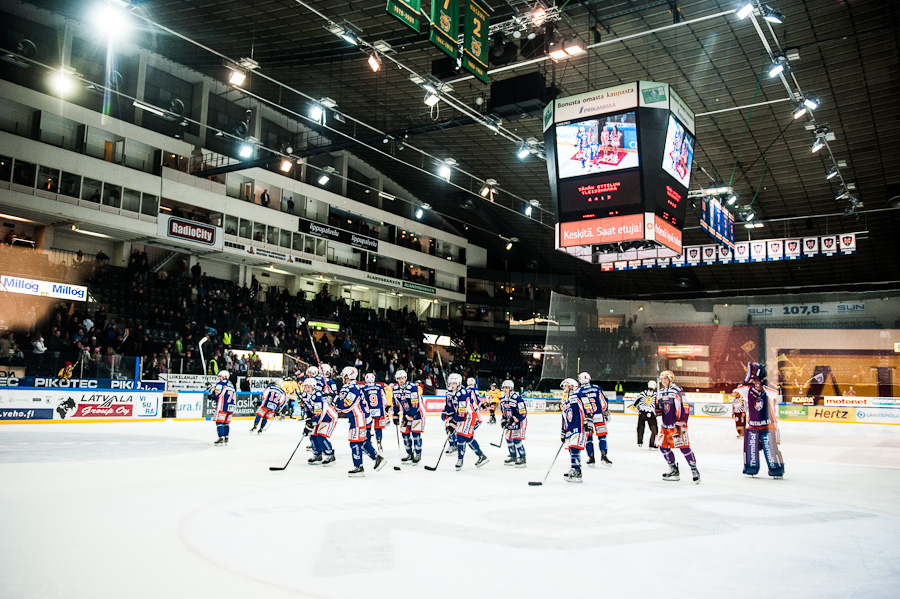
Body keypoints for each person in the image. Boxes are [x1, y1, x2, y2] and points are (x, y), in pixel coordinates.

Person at [734, 363, 784, 479]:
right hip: (753, 425)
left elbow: (775, 392)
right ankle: (751, 468)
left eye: (759, 382)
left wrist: (763, 381)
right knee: (751, 448)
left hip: (768, 425)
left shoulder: (768, 390)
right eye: (755, 383)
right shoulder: (749, 390)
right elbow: (740, 388)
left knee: (771, 449)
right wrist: (748, 379)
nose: (757, 385)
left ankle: (776, 469)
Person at [335, 366, 385, 477]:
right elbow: (341, 406)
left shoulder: (353, 388)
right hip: (359, 418)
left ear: (348, 376)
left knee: (354, 442)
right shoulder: (348, 387)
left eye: (344, 374)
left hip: (358, 418)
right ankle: (377, 458)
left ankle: (359, 467)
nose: (342, 376)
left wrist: (335, 400)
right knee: (361, 441)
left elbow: (346, 406)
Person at [655, 370, 699, 483]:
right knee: (663, 447)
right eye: (662, 379)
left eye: (665, 379)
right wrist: (656, 410)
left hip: (677, 425)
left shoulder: (677, 390)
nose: (663, 381)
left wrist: (682, 421)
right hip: (665, 426)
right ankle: (673, 468)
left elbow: (684, 406)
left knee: (684, 448)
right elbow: (660, 410)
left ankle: (694, 469)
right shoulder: (660, 392)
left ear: (670, 379)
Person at [446, 373, 489, 471]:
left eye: (454, 383)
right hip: (463, 416)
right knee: (468, 438)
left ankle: (460, 460)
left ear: (459, 383)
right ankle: (481, 456)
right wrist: (447, 414)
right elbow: (452, 406)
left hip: (469, 416)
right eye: (450, 383)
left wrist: (453, 423)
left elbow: (461, 412)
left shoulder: (462, 393)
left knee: (461, 436)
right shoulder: (451, 392)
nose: (452, 385)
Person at [573, 372, 612, 467]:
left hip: (587, 417)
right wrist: (605, 411)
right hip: (599, 415)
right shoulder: (596, 388)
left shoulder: (578, 391)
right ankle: (604, 456)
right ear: (589, 379)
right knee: (602, 436)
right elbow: (603, 402)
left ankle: (591, 457)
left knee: (588, 438)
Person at [300, 377, 336, 466]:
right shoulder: (304, 395)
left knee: (321, 437)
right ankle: (317, 454)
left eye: (309, 387)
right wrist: (308, 418)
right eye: (305, 386)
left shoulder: (318, 395)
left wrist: (311, 424)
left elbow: (319, 413)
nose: (307, 389)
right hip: (318, 417)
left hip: (328, 417)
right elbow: (308, 408)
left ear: (313, 387)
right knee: (312, 436)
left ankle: (330, 454)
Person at [391, 369, 424, 464]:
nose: (401, 380)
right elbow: (395, 403)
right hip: (406, 413)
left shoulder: (412, 387)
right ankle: (409, 453)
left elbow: (415, 405)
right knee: (404, 434)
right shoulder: (395, 389)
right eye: (399, 378)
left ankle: (418, 453)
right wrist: (395, 415)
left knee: (415, 434)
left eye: (403, 378)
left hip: (417, 413)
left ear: (406, 378)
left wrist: (408, 416)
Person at [560, 378, 586, 483]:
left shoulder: (578, 395)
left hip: (579, 426)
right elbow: (564, 417)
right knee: (571, 450)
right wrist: (563, 430)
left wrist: (588, 419)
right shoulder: (564, 401)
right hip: (570, 428)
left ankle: (577, 471)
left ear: (572, 386)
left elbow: (587, 405)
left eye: (566, 385)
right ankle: (575, 468)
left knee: (574, 448)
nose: (564, 387)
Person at [499, 380, 527, 467]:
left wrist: (515, 419)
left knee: (516, 439)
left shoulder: (517, 398)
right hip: (510, 421)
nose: (505, 389)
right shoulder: (503, 399)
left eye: (507, 388)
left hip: (520, 421)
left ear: (511, 388)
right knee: (508, 438)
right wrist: (503, 421)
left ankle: (523, 458)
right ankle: (513, 456)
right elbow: (504, 412)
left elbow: (522, 413)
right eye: (504, 388)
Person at [362, 372, 388, 453]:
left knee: (367, 428)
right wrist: (383, 409)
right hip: (379, 411)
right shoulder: (379, 387)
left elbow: (362, 400)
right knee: (378, 428)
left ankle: (368, 443)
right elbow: (385, 399)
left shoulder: (363, 388)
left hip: (368, 411)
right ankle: (379, 440)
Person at [211, 370, 236, 446]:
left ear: (225, 377)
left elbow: (216, 394)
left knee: (219, 422)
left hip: (222, 406)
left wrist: (210, 389)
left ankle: (221, 437)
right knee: (226, 423)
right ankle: (226, 437)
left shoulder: (221, 383)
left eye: (220, 376)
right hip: (231, 407)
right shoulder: (231, 385)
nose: (219, 378)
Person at [632, 380, 659, 448]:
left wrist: (639, 408)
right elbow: (658, 404)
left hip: (642, 413)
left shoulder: (643, 393)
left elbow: (635, 402)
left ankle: (640, 442)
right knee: (654, 429)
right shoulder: (655, 395)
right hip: (651, 413)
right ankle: (652, 444)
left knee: (640, 427)